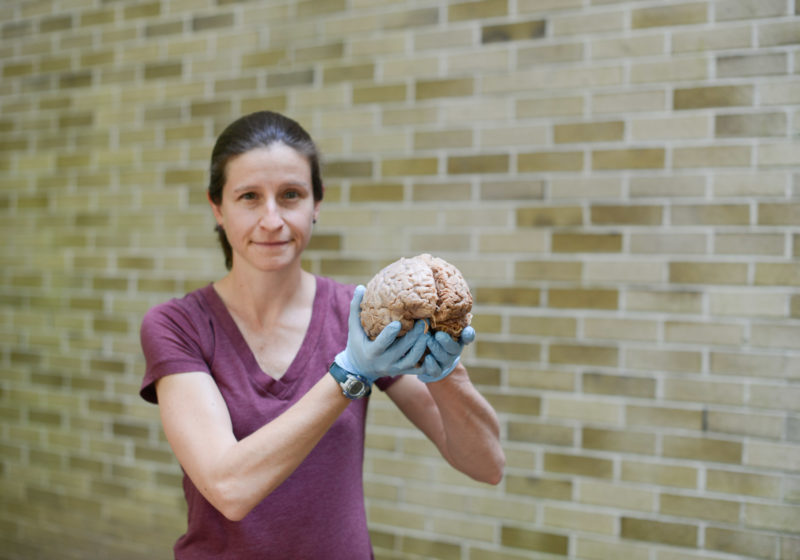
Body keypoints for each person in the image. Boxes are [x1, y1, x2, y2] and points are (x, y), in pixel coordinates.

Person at [139, 110, 505, 559]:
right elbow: (228, 486)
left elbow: (486, 464)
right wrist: (348, 374)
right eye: (249, 197)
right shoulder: (179, 326)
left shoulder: (359, 317)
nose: (272, 220)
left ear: (317, 204)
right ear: (217, 207)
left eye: (290, 195)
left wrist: (447, 374)